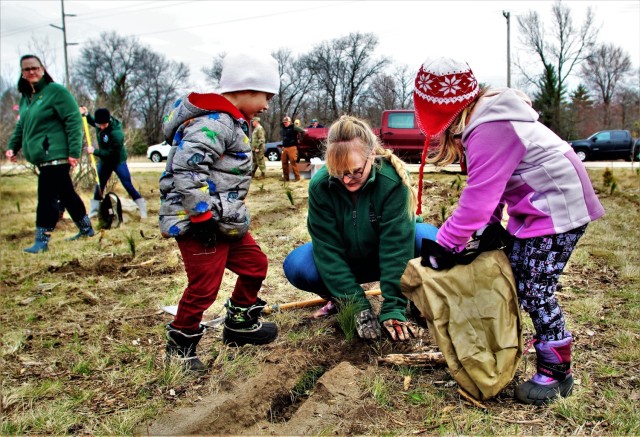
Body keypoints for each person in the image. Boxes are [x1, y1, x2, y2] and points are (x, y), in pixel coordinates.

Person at [412, 56, 605, 405]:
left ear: (452, 110)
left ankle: (557, 370)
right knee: (517, 278)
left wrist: (444, 247)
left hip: (557, 207)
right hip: (537, 206)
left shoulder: (489, 126)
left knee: (534, 288)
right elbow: (496, 182)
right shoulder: (485, 119)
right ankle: (512, 348)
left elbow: (477, 199)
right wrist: (489, 227)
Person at [159, 51, 280, 372]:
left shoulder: (233, 122)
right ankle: (180, 345)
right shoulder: (214, 123)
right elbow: (187, 168)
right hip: (200, 222)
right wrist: (201, 214)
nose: (267, 105)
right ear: (245, 88)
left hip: (225, 219)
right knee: (204, 287)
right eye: (265, 96)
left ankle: (239, 325)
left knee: (255, 265)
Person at [283, 115, 438, 341]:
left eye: (356, 171)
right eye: (339, 172)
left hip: (390, 255)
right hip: (349, 259)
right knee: (298, 265)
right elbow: (328, 250)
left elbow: (396, 248)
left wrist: (393, 306)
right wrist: (357, 305)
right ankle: (340, 298)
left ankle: (414, 295)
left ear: (372, 155)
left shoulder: (391, 182)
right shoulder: (321, 186)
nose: (347, 180)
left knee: (428, 238)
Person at [6, 54, 95, 253]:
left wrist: (73, 152)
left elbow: (73, 120)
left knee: (46, 196)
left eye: (35, 68)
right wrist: (13, 146)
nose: (31, 72)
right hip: (43, 157)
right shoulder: (27, 98)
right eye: (27, 69)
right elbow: (22, 126)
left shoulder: (55, 92)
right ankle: (86, 229)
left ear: (43, 68)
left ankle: (42, 240)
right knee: (66, 193)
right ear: (22, 73)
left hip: (56, 155)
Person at [79, 106, 147, 219]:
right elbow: (93, 122)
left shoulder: (116, 133)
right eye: (99, 125)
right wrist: (86, 114)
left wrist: (94, 151)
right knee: (99, 186)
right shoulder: (99, 124)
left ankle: (142, 209)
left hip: (117, 161)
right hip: (105, 162)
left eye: (103, 125)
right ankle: (94, 211)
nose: (101, 127)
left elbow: (111, 153)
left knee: (127, 185)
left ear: (108, 121)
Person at [280, 116, 305, 182]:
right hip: (285, 147)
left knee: (293, 162)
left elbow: (302, 131)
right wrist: (283, 145)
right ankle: (286, 178)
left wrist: (300, 140)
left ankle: (297, 177)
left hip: (292, 147)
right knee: (284, 163)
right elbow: (284, 137)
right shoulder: (283, 128)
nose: (285, 123)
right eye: (284, 122)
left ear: (289, 122)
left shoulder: (293, 127)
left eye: (286, 122)